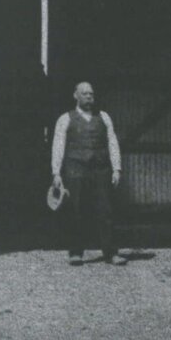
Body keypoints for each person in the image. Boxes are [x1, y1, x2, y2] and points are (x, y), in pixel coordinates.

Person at [51, 81, 123, 265]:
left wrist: (116, 168)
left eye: (91, 93)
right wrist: (56, 173)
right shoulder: (65, 119)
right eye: (84, 93)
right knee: (76, 211)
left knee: (106, 211)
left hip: (101, 170)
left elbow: (112, 143)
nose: (89, 97)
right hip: (75, 170)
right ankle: (75, 253)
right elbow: (58, 146)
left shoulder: (104, 117)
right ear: (75, 95)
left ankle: (111, 253)